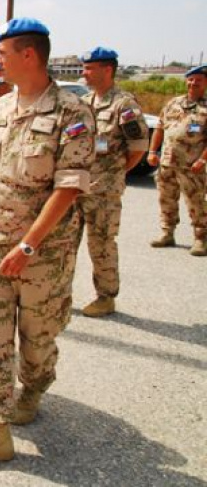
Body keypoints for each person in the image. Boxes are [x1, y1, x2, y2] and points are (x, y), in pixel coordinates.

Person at [0, 18, 95, 468]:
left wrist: (29, 246)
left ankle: (33, 387)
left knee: (37, 341)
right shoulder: (0, 107)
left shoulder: (71, 113)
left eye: (2, 54)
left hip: (43, 257)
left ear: (28, 55)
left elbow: (68, 188)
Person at [76, 47, 149, 317]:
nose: (84, 72)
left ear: (107, 70)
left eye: (89, 68)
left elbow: (138, 147)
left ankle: (106, 297)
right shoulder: (85, 102)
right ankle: (59, 294)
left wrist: (114, 173)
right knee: (65, 242)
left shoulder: (124, 105)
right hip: (76, 186)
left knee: (101, 244)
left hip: (104, 191)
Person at [147, 65, 207, 256]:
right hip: (167, 163)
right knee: (166, 199)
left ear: (205, 83)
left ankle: (201, 238)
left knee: (196, 202)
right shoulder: (173, 103)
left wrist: (202, 160)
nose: (193, 83)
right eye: (191, 79)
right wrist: (152, 151)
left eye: (198, 80)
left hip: (192, 165)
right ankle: (167, 233)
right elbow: (159, 128)